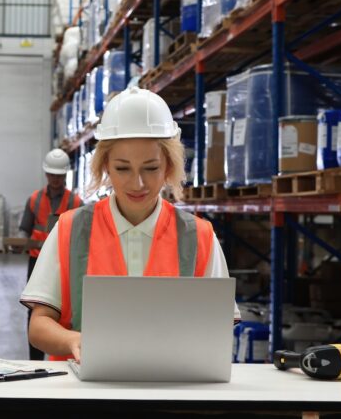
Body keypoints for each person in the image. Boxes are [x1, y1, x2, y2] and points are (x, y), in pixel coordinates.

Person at [20, 87, 240, 361]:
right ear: (105, 167)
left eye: (151, 168)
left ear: (169, 166)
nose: (137, 183)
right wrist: (74, 341)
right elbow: (38, 326)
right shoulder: (70, 229)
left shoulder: (199, 236)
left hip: (169, 391)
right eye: (123, 168)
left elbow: (219, 326)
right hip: (82, 395)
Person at [19, 147, 83, 360]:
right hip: (36, 260)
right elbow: (24, 229)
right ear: (46, 174)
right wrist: (21, 242)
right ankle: (35, 361)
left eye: (59, 175)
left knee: (63, 310)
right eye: (52, 175)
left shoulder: (76, 203)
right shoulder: (34, 200)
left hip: (65, 263)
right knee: (36, 311)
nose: (55, 179)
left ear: (65, 175)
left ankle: (65, 354)